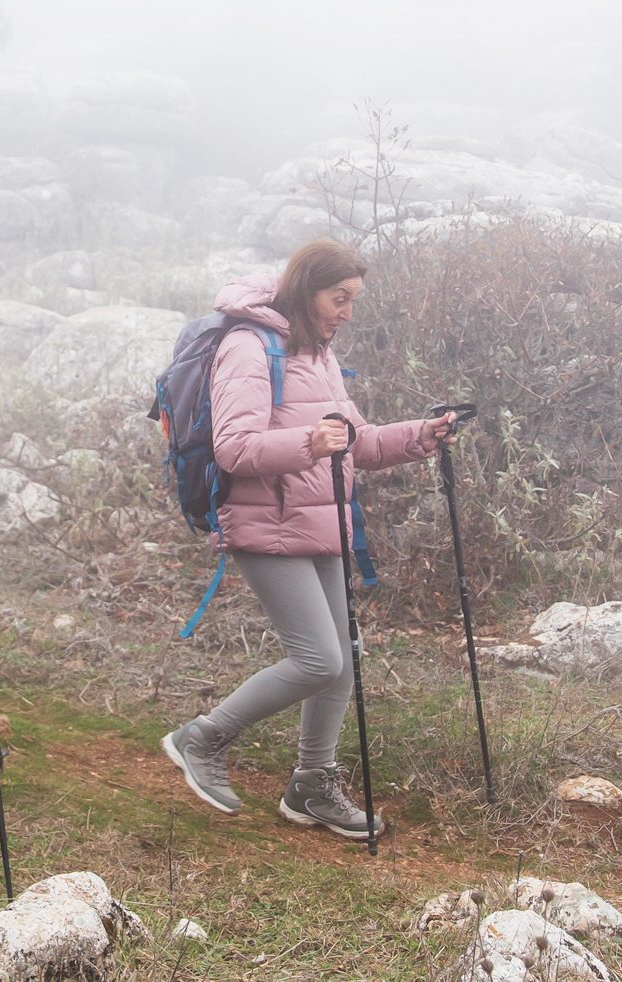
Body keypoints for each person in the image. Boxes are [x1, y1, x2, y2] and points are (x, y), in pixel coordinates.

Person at [161, 239, 457, 841]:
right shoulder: (249, 347)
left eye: (354, 300)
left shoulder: (317, 354)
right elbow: (234, 449)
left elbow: (359, 442)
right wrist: (308, 444)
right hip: (264, 524)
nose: (347, 311)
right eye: (338, 298)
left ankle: (311, 787)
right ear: (306, 290)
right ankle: (202, 738)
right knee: (320, 658)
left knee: (342, 661)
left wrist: (420, 435)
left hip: (321, 522)